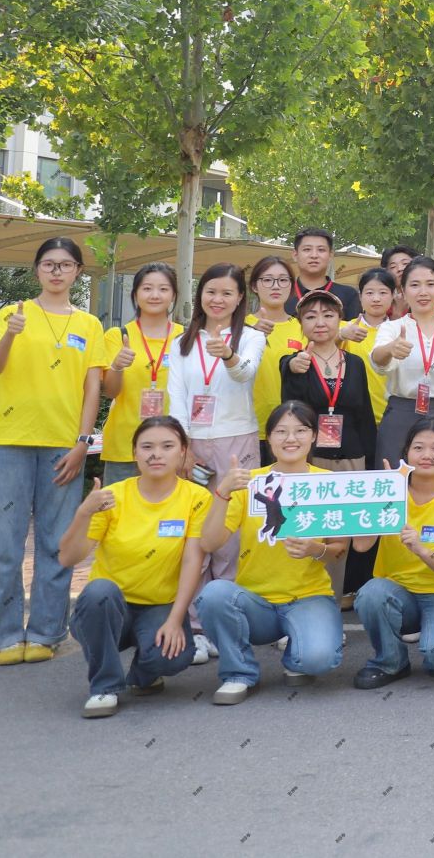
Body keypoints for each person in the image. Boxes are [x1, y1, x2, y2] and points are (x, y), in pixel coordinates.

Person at [0, 237, 108, 666]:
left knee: (56, 543)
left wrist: (83, 443)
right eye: (49, 264)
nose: (56, 271)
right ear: (36, 270)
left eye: (66, 264)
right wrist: (10, 336)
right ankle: (3, 635)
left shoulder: (89, 324)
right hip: (7, 439)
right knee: (5, 544)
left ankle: (47, 632)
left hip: (62, 445)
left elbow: (93, 388)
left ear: (78, 272)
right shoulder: (11, 314)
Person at [194, 402, 348, 703]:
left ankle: (297, 651)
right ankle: (238, 672)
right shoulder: (250, 482)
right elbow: (209, 543)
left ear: (314, 436)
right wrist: (223, 492)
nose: (291, 439)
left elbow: (339, 549)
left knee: (318, 659)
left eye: (300, 430)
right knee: (214, 595)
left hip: (308, 597)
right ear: (269, 438)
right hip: (256, 602)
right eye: (281, 432)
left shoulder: (328, 483)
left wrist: (315, 549)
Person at [62, 416, 209, 716]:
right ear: (134, 453)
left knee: (174, 656)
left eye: (167, 446)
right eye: (147, 447)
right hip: (109, 606)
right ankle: (104, 688)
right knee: (99, 591)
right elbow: (67, 558)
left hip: (158, 605)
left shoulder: (197, 497)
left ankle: (143, 674)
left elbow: (193, 560)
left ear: (183, 451)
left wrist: (175, 619)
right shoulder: (112, 497)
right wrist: (83, 513)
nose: (156, 454)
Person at [169, 263, 266, 654]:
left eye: (227, 293)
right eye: (211, 291)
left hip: (237, 441)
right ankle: (195, 626)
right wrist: (182, 446)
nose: (218, 299)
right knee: (195, 531)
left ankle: (225, 620)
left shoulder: (252, 337)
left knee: (230, 534)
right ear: (200, 295)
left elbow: (245, 374)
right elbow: (176, 396)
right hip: (193, 445)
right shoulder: (182, 342)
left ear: (240, 298)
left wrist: (228, 355)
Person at [349, 416, 434, 688]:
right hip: (398, 592)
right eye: (418, 448)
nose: (427, 455)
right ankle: (390, 662)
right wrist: (384, 499)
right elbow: (361, 546)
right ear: (406, 452)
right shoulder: (389, 490)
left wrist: (421, 549)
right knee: (370, 594)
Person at [280, 291, 380, 500]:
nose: (320, 323)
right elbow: (290, 408)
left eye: (328, 315)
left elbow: (365, 417)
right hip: (309, 460)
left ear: (340, 320)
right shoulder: (297, 362)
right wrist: (292, 365)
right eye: (310, 317)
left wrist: (371, 462)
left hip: (352, 458)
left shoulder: (355, 363)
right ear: (300, 323)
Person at [370, 256, 434, 470]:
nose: (423, 292)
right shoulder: (392, 328)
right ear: (403, 291)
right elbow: (377, 359)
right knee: (395, 477)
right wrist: (390, 349)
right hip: (401, 412)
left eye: (430, 284)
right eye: (414, 285)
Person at [98, 264, 179, 485]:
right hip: (125, 444)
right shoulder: (117, 336)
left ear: (173, 295)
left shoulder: (185, 338)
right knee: (119, 507)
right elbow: (110, 392)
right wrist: (117, 366)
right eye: (147, 288)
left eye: (163, 289)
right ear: (135, 294)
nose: (155, 295)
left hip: (171, 445)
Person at [246, 255, 302, 445]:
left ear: (291, 285)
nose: (276, 286)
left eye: (283, 280)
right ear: (254, 286)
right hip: (249, 426)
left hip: (292, 428)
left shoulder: (302, 328)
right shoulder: (241, 327)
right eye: (268, 280)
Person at [291, 227, 361, 320]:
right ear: (295, 255)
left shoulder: (348, 295)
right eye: (307, 249)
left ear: (330, 255)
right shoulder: (282, 294)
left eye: (321, 250)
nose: (314, 255)